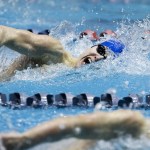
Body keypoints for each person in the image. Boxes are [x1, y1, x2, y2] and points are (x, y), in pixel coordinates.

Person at [0, 25, 124, 80]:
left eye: (105, 58)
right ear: (91, 46)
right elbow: (4, 33)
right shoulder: (53, 50)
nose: (98, 58)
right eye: (101, 50)